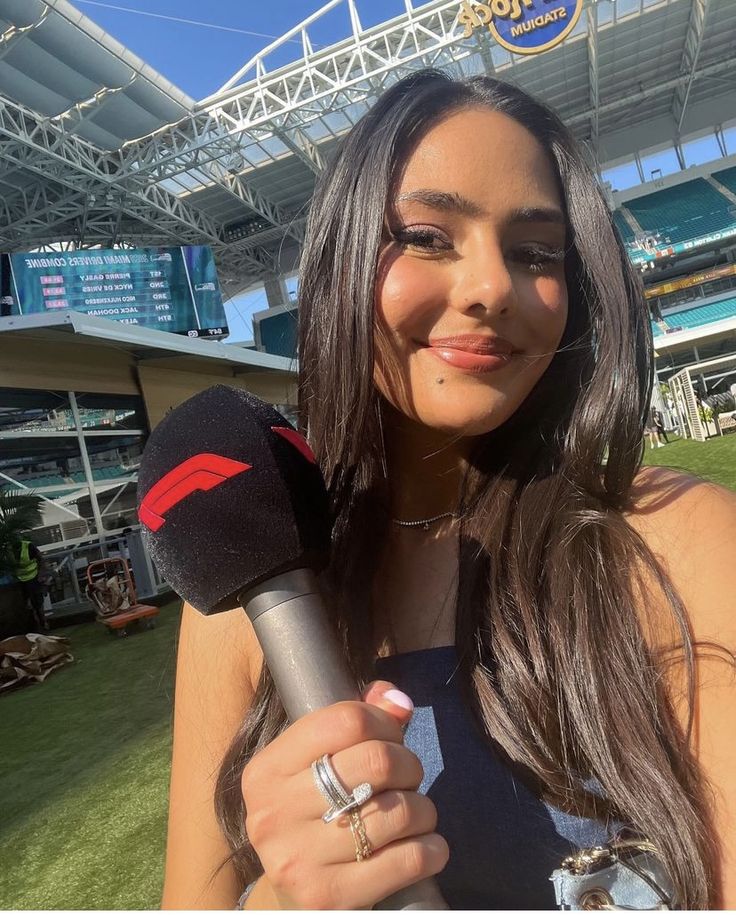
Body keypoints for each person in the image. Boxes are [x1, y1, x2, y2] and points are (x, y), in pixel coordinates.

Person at [162, 71, 735, 910]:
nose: (493, 286)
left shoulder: (684, 544)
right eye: (428, 235)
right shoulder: (248, 595)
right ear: (340, 262)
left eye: (536, 251)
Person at [12, 537, 48, 631]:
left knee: (38, 603)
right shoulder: (8, 550)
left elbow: (41, 559)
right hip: (19, 580)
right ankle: (35, 626)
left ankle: (43, 624)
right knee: (27, 605)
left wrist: (41, 575)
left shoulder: (28, 546)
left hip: (34, 577)